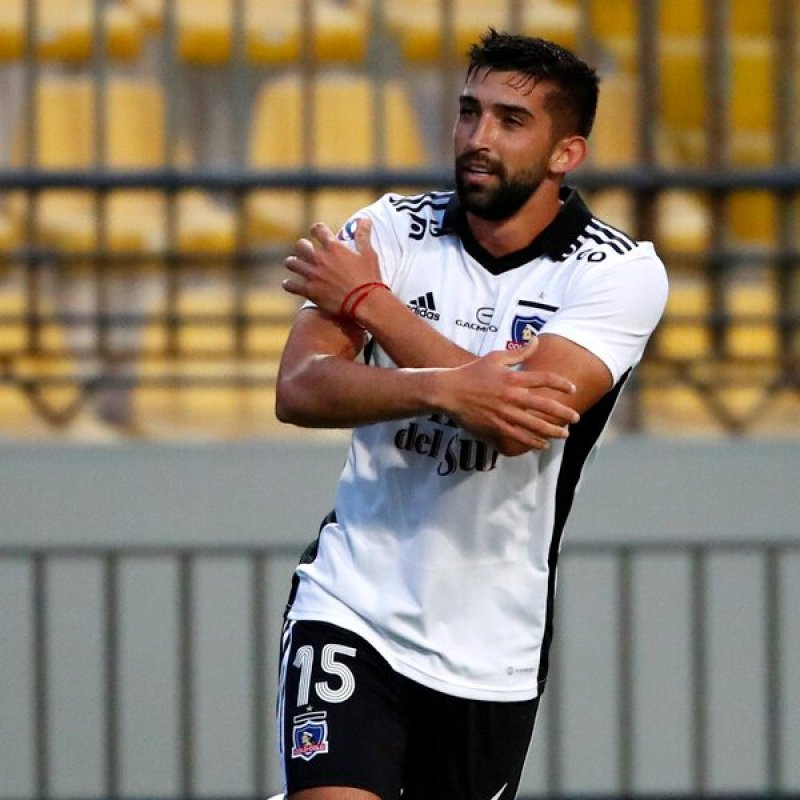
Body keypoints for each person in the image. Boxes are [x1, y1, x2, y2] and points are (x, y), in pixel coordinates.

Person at [274, 28, 668, 800]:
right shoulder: (387, 229)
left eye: (510, 120)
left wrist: (370, 304)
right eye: (468, 111)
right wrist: (446, 388)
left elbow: (516, 423)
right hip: (352, 604)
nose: (478, 137)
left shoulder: (619, 273)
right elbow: (301, 387)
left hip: (492, 645)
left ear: (566, 153)